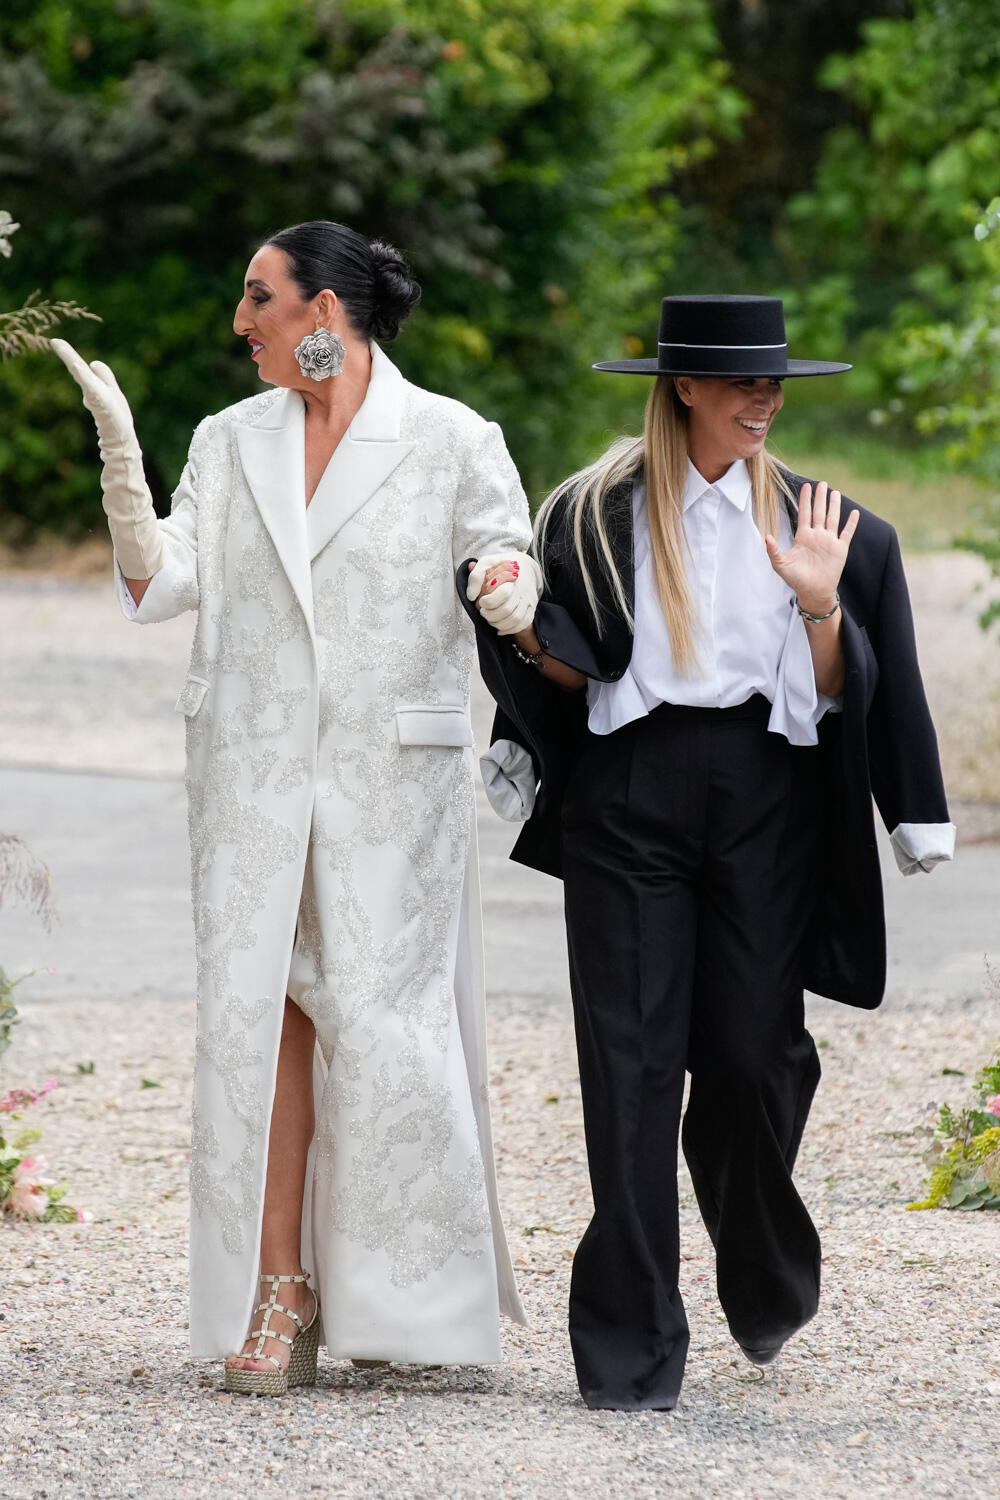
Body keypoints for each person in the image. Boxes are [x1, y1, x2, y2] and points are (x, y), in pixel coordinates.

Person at [51, 220, 542, 1394]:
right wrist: (120, 461)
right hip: (252, 780)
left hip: (394, 788)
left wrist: (504, 580)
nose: (241, 322)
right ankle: (280, 1290)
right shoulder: (229, 441)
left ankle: (405, 1303)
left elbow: (503, 549)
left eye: (258, 298)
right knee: (261, 1022)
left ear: (324, 311)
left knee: (383, 1025)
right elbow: (164, 581)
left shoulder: (452, 437)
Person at [463, 294, 954, 1411]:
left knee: (751, 1058)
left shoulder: (834, 528)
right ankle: (630, 1349)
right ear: (683, 388)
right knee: (629, 1070)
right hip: (627, 797)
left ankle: (762, 1262)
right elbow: (572, 666)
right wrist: (516, 632)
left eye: (773, 381)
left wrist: (819, 604)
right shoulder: (589, 515)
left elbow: (857, 692)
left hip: (764, 800)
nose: (764, 398)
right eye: (741, 382)